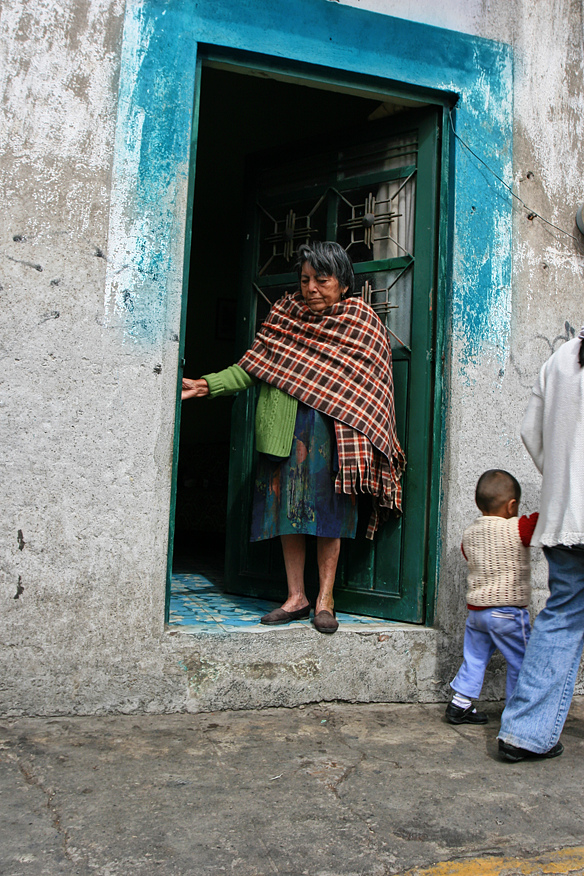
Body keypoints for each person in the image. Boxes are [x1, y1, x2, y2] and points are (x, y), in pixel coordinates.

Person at [182, 241, 405, 634]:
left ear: (343, 282)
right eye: (305, 280)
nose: (311, 288)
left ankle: (325, 599)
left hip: (337, 437)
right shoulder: (285, 316)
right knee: (288, 513)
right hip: (287, 431)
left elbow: (373, 389)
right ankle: (296, 596)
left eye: (322, 279)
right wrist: (206, 386)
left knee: (330, 516)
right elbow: (254, 366)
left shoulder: (361, 321)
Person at [497, 329, 584, 762]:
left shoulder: (563, 358)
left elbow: (531, 432)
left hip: (567, 518)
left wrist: (565, 483)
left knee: (562, 615)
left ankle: (524, 733)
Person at [445, 470, 538, 726]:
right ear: (512, 505)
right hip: (507, 612)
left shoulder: (470, 533)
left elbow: (468, 555)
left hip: (477, 613)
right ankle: (518, 714)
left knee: (474, 658)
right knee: (522, 661)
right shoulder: (518, 526)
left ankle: (460, 703)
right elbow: (542, 522)